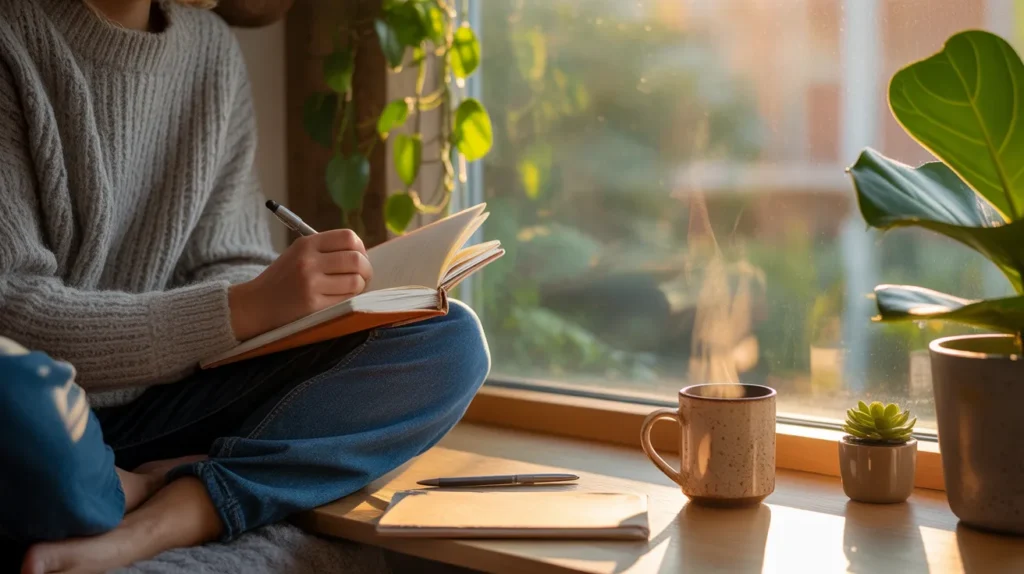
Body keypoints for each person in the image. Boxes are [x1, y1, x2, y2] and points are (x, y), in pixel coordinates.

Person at [0, 1, 491, 572]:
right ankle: (130, 486)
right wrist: (244, 307)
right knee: (16, 401)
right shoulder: (13, 36)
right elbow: (12, 316)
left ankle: (185, 508)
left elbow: (227, 259)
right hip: (54, 416)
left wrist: (298, 302)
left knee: (448, 341)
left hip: (169, 406)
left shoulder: (211, 50)